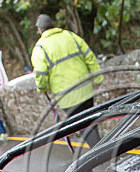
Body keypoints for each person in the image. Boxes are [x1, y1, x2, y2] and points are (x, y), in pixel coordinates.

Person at [31, 14, 104, 147]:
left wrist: (42, 88)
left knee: (84, 127)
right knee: (92, 122)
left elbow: (40, 74)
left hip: (67, 98)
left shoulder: (40, 48)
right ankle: (104, 150)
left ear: (40, 30)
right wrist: (98, 78)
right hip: (86, 89)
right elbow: (90, 57)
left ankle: (102, 154)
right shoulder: (70, 36)